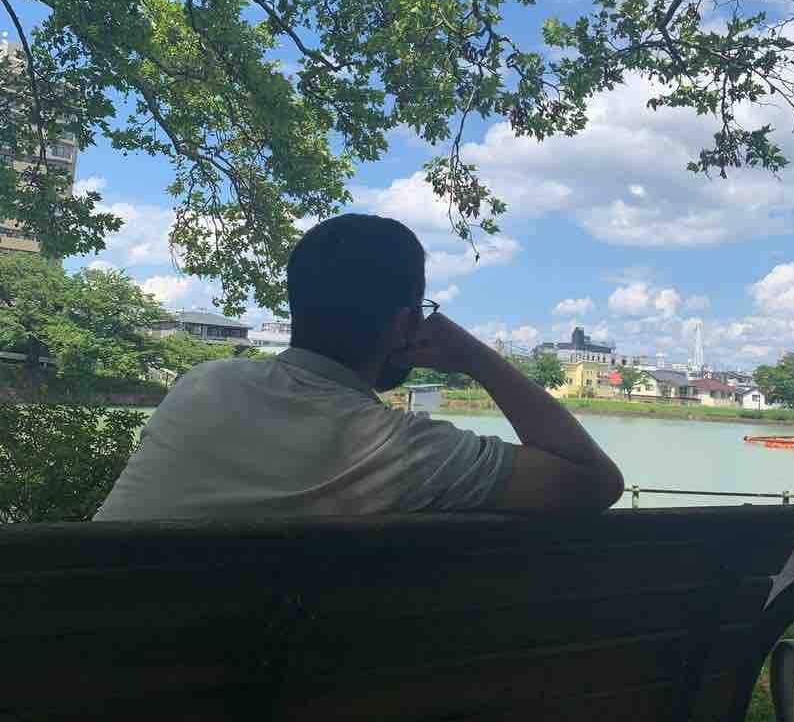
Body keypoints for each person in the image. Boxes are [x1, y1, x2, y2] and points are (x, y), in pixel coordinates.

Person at [93, 214, 624, 520]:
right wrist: (475, 358)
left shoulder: (202, 385)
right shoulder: (403, 450)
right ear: (404, 324)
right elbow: (593, 483)